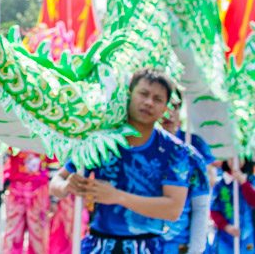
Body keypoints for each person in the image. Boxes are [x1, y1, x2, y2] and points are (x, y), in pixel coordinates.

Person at [50, 68, 190, 254]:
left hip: (146, 247)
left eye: (157, 99)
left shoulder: (175, 151)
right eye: (143, 94)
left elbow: (172, 210)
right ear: (129, 95)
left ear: (165, 108)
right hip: (98, 246)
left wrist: (117, 196)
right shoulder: (101, 141)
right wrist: (67, 186)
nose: (149, 102)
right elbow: (55, 183)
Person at [158, 89, 211, 254]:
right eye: (164, 104)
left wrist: (195, 249)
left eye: (174, 106)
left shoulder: (193, 148)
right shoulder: (137, 147)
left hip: (179, 246)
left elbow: (201, 206)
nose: (169, 112)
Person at [2, 150, 52, 254]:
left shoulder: (48, 138)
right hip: (16, 190)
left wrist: (54, 200)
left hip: (39, 192)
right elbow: (5, 157)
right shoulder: (15, 137)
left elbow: (53, 167)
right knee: (13, 233)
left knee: (38, 234)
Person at [210, 161, 255, 254]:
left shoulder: (251, 180)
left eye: (239, 157)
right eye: (231, 158)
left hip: (248, 235)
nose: (235, 160)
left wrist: (243, 182)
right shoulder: (220, 184)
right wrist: (225, 226)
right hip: (225, 237)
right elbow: (213, 209)